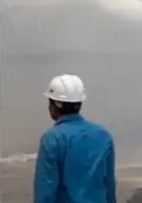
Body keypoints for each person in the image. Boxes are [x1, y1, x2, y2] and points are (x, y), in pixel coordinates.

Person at [33, 74, 115, 203]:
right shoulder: (103, 135)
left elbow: (45, 191)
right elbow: (109, 185)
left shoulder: (52, 139)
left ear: (55, 105)